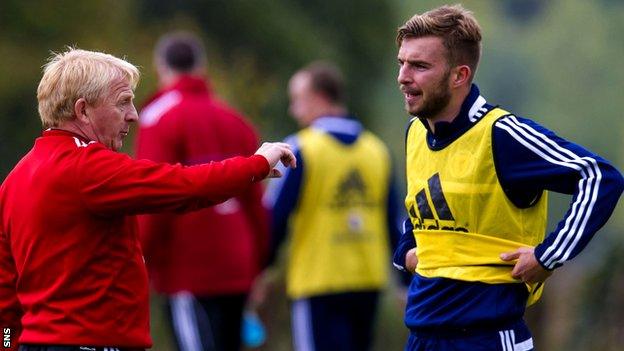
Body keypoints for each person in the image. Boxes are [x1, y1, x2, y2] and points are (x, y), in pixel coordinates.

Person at [0, 48, 295, 351]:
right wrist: (256, 164)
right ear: (83, 110)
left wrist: (7, 345)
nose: (134, 114)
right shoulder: (86, 166)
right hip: (91, 345)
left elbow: (5, 297)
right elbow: (182, 186)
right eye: (122, 102)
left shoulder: (16, 177)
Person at [392, 4, 624, 351]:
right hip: (422, 337)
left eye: (420, 66)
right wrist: (407, 250)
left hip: (488, 338)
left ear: (459, 75)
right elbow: (422, 206)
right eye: (402, 63)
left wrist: (549, 256)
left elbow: (600, 177)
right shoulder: (415, 133)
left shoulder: (502, 134)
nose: (403, 77)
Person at [135, 31, 269, 351]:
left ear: (160, 67)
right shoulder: (236, 121)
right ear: (201, 66)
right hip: (238, 263)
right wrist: (258, 265)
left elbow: (155, 196)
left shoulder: (158, 117)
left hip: (187, 267)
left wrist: (140, 257)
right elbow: (257, 204)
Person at [263, 61, 403, 351]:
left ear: (318, 97)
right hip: (368, 281)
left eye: (297, 101)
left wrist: (260, 270)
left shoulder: (300, 148)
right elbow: (394, 223)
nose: (293, 110)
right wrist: (403, 282)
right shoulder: (376, 149)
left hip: (318, 281)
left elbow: (274, 219)